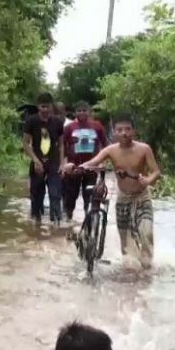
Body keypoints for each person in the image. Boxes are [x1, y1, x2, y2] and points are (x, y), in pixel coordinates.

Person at [66, 112, 161, 269]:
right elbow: (93, 162)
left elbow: (156, 172)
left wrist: (148, 180)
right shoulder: (111, 150)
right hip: (123, 198)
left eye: (128, 129)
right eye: (119, 130)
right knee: (126, 244)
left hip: (142, 197)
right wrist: (76, 167)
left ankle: (147, 270)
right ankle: (130, 274)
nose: (124, 133)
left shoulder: (144, 149)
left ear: (133, 131)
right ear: (113, 132)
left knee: (147, 234)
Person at [61, 101, 108, 220]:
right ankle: (68, 217)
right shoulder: (69, 127)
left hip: (92, 167)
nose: (82, 112)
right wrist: (64, 164)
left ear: (89, 112)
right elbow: (61, 145)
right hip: (73, 167)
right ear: (75, 112)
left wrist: (103, 162)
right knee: (71, 194)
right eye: (79, 110)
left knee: (90, 194)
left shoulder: (97, 126)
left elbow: (105, 145)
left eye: (84, 110)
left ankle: (88, 218)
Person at [23, 93, 65, 224]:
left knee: (55, 195)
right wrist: (35, 160)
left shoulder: (57, 122)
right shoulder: (31, 121)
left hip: (53, 162)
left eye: (47, 106)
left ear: (51, 107)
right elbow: (25, 143)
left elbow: (61, 144)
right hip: (37, 161)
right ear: (38, 107)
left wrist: (62, 164)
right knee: (36, 195)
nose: (45, 110)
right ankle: (37, 225)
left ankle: (56, 225)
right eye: (42, 107)